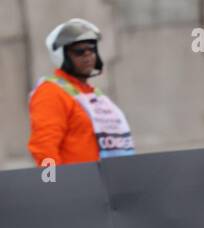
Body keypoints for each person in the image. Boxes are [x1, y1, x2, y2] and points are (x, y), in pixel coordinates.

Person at [28, 18, 134, 167]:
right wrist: (51, 184)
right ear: (62, 55)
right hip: (75, 186)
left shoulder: (96, 96)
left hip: (109, 184)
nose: (88, 55)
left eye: (91, 49)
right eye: (79, 51)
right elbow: (43, 149)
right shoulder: (50, 92)